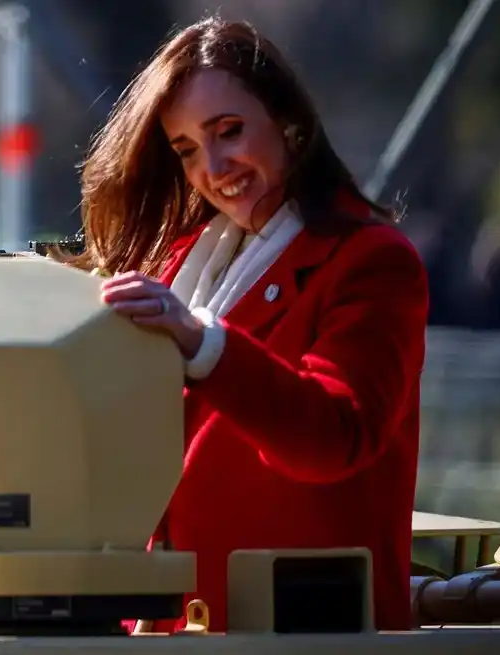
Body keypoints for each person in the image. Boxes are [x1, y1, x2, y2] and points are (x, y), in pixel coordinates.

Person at [77, 17, 429, 632]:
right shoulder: (182, 261)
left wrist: (204, 344)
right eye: (186, 150)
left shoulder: (374, 262)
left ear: (290, 123)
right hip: (177, 628)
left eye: (229, 131)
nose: (212, 166)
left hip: (312, 634)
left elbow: (337, 434)